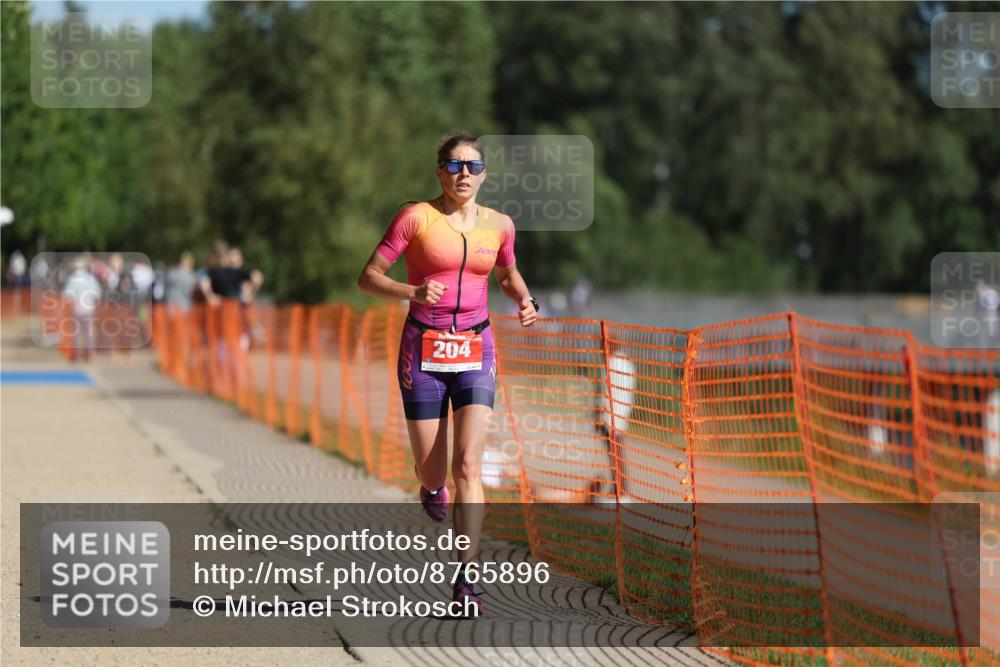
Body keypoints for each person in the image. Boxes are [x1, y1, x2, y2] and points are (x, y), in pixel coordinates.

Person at [357, 133, 538, 615]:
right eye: (454, 166)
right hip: (424, 348)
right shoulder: (416, 217)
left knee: (468, 466)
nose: (464, 174)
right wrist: (409, 292)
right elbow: (368, 276)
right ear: (440, 171)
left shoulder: (499, 226)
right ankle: (429, 483)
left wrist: (524, 299)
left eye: (473, 166)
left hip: (476, 347)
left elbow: (505, 275)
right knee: (436, 470)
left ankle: (465, 582)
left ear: (484, 174)